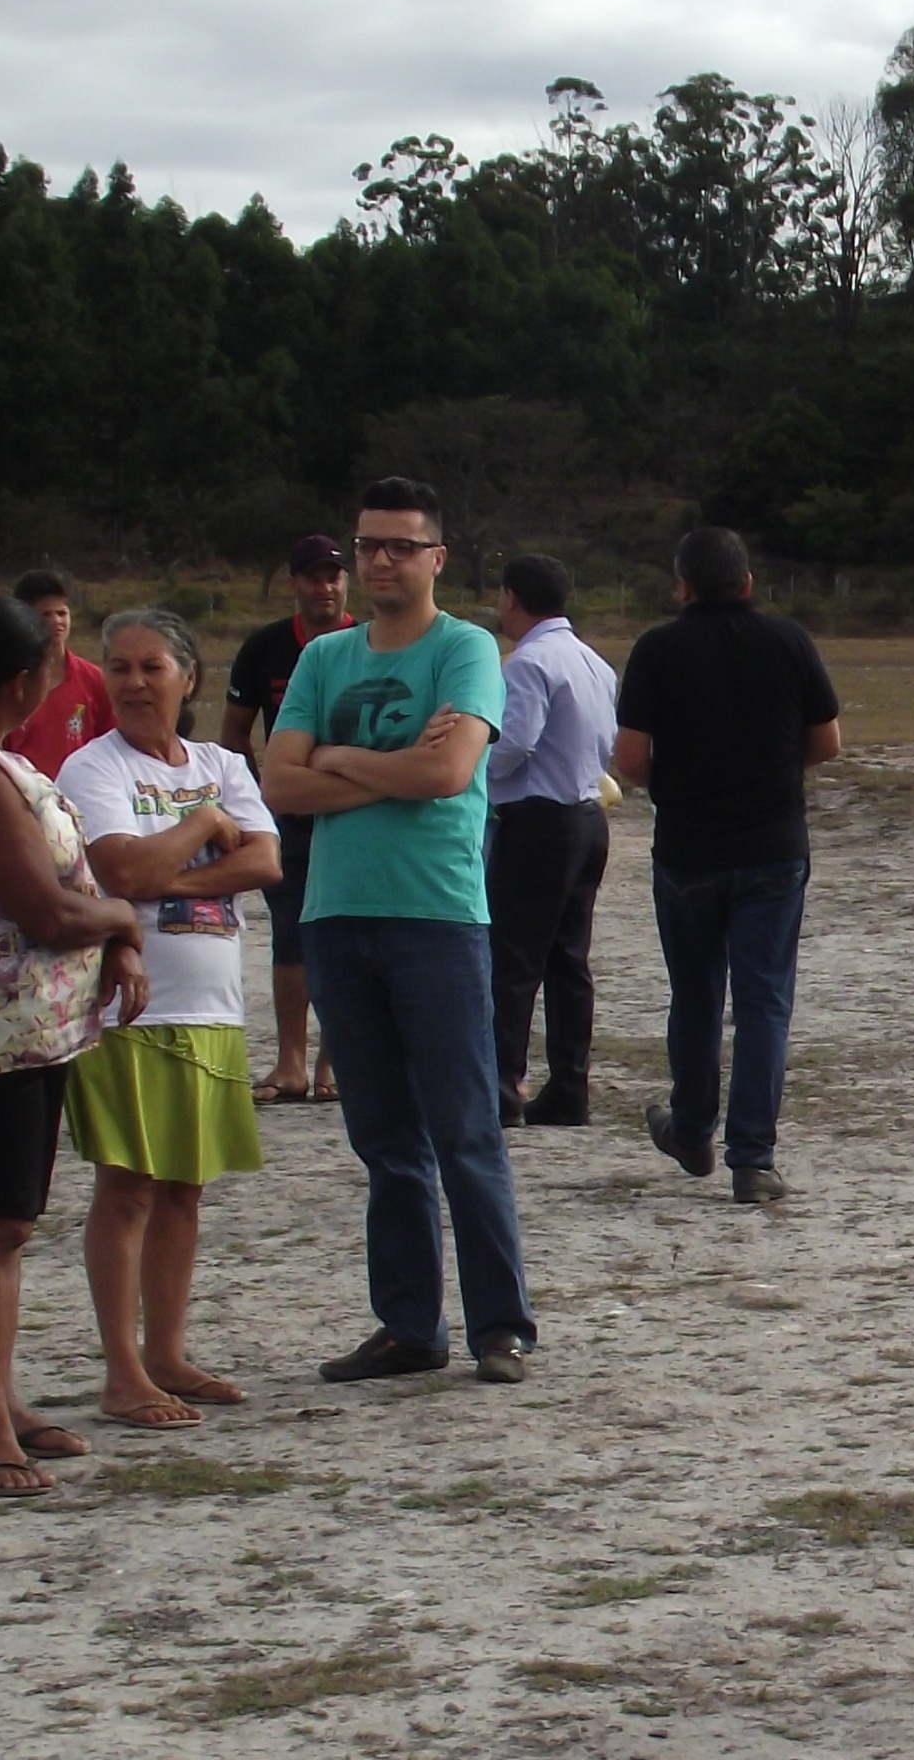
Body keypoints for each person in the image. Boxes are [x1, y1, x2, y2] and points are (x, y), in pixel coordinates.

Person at [261, 478, 537, 1385]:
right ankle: (410, 1326)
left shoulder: (466, 649)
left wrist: (335, 760)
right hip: (337, 915)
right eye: (369, 544)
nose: (381, 561)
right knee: (383, 1137)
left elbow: (451, 772)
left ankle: (502, 1326)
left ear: (436, 559)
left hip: (436, 915)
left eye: (401, 547)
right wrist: (383, 763)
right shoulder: (324, 660)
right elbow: (280, 785)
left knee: (465, 1129)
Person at [0, 595, 149, 1495]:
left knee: (11, 1219)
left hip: (22, 1029)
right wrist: (122, 914)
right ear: (23, 680)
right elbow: (42, 910)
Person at [62, 607, 281, 1428]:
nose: (132, 683)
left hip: (214, 1008)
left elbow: (263, 861)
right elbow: (117, 865)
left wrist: (172, 876)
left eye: (151, 667)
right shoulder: (93, 767)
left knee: (185, 1189)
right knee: (126, 1188)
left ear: (188, 677)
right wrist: (201, 833)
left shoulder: (224, 760)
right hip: (133, 1010)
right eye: (118, 667)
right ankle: (122, 1372)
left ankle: (168, 1353)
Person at [614, 526, 842, 1204]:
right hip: (772, 847)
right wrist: (772, 771)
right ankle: (754, 1156)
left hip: (688, 848)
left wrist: (679, 784)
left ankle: (691, 1128)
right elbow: (825, 741)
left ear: (682, 586)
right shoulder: (788, 641)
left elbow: (628, 761)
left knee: (695, 995)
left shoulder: (658, 648)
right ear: (747, 582)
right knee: (764, 1000)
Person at [485, 552, 621, 1126]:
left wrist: (470, 767)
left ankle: (501, 1085)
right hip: (588, 814)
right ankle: (569, 1084)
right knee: (569, 959)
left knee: (514, 958)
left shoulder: (526, 663)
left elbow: (514, 743)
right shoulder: (595, 663)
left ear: (512, 598)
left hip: (537, 818)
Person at [221, 537, 353, 1103]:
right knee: (291, 933)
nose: (324, 587)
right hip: (288, 812)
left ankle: (335, 1063)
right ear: (294, 583)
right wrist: (255, 797)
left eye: (333, 576)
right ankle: (290, 1062)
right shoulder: (266, 647)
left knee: (347, 929)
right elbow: (234, 730)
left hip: (352, 808)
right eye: (312, 577)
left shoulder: (368, 642)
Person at [2, 570, 116, 780]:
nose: (56, 622)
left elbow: (111, 743)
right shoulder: (7, 682)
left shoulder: (94, 680)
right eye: (45, 615)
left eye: (62, 613)